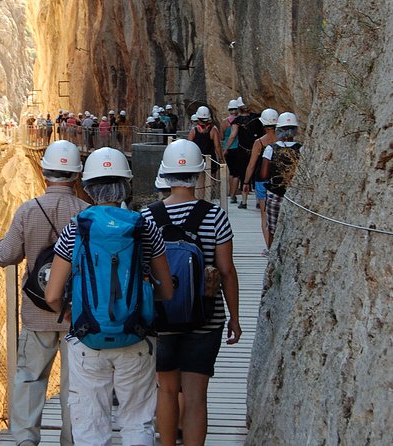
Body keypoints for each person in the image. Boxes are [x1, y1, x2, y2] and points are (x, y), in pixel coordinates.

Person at [45, 147, 174, 446]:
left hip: (87, 334)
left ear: (87, 186)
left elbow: (52, 293)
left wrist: (71, 312)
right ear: (125, 184)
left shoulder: (75, 228)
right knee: (137, 421)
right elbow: (166, 290)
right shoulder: (146, 227)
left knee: (90, 424)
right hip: (137, 336)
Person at [0, 140, 89, 446]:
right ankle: (72, 440)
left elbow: (7, 256)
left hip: (36, 310)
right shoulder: (87, 214)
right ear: (76, 176)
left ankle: (26, 440)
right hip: (75, 313)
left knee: (29, 378)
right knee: (75, 385)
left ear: (45, 174)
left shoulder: (28, 211)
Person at [140, 139, 241, 446]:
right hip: (206, 318)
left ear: (166, 176)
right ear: (199, 175)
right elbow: (226, 270)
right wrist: (234, 318)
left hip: (160, 319)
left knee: (167, 391)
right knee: (196, 397)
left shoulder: (146, 217)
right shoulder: (214, 216)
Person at [260, 112, 303, 249]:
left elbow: (264, 174)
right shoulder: (301, 148)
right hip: (294, 194)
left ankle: (272, 253)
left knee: (273, 227)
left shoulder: (271, 148)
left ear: (279, 129)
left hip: (275, 193)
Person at [243, 108, 278, 252]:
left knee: (265, 216)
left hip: (261, 181)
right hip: (278, 181)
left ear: (263, 124)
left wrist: (245, 182)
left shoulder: (259, 143)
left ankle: (269, 248)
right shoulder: (282, 141)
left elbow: (251, 165)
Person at [223, 97, 263, 209]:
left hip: (243, 151)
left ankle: (244, 201)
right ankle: (259, 201)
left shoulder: (237, 121)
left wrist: (226, 148)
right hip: (257, 150)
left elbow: (232, 135)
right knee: (256, 175)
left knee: (244, 176)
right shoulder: (256, 118)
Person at [188, 106, 224, 199]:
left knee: (199, 184)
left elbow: (189, 146)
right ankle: (209, 200)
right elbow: (217, 146)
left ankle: (199, 201)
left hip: (197, 160)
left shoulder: (193, 131)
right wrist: (221, 159)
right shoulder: (213, 130)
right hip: (211, 159)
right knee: (211, 183)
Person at [220, 99, 240, 204]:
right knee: (236, 173)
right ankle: (233, 195)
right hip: (236, 148)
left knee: (231, 172)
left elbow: (222, 136)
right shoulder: (239, 121)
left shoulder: (224, 122)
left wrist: (225, 148)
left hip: (227, 149)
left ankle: (230, 192)